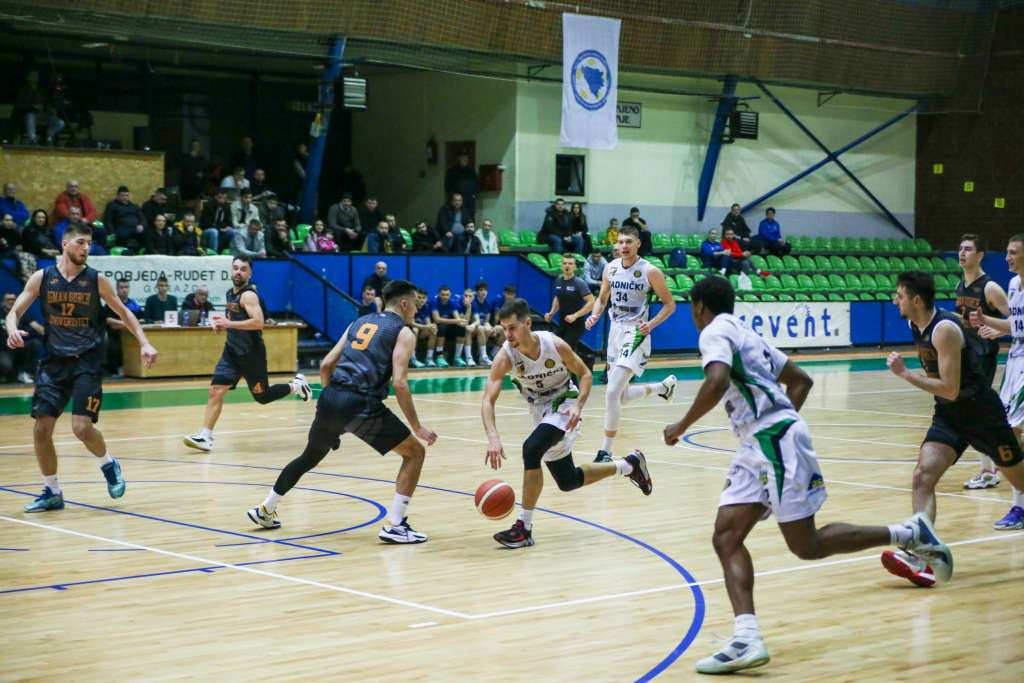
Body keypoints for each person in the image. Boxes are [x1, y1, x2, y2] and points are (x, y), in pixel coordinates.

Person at [661, 275, 952, 674]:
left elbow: (717, 380)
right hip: (761, 443)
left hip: (771, 439)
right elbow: (801, 380)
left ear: (697, 306)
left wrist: (681, 424)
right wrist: (777, 427)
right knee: (726, 535)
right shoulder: (747, 333)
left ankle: (910, 534)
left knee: (806, 545)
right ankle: (746, 637)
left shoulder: (713, 331)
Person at [247, 280, 438, 544]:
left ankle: (266, 509)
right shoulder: (404, 332)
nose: (417, 309)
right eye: (416, 304)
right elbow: (400, 382)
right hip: (361, 403)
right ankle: (395, 525)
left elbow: (326, 365)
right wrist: (417, 426)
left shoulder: (357, 323)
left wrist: (331, 408)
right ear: (404, 304)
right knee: (415, 453)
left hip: (331, 397)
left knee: (309, 456)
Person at [883, 271, 1024, 587]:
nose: (895, 300)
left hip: (980, 413)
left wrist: (905, 374)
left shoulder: (944, 329)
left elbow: (949, 387)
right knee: (923, 476)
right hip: (949, 415)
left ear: (916, 300)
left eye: (900, 295)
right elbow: (946, 397)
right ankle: (921, 554)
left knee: (1020, 479)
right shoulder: (914, 324)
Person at [4, 222, 158, 512]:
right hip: (53, 363)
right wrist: (11, 330)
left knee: (81, 428)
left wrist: (145, 342)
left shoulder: (96, 280)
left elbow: (124, 313)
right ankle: (52, 491)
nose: (86, 248)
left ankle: (108, 464)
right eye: (81, 243)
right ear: (65, 244)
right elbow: (14, 312)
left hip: (86, 362)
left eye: (89, 243)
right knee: (41, 430)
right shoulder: (42, 278)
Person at [482, 298, 652, 548]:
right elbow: (487, 400)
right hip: (540, 410)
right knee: (568, 481)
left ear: (527, 323)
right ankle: (629, 465)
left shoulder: (554, 344)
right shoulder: (506, 356)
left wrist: (579, 405)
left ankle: (523, 527)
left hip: (565, 403)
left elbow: (584, 374)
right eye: (504, 328)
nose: (508, 335)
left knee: (531, 449)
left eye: (513, 328)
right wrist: (493, 436)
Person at [183, 256, 312, 452]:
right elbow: (232, 318)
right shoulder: (230, 294)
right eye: (235, 268)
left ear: (250, 273)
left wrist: (229, 324)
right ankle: (205, 436)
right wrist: (222, 324)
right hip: (232, 352)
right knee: (215, 390)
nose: (238, 272)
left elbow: (258, 322)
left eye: (243, 269)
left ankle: (297, 386)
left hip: (251, 354)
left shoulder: (249, 295)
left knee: (262, 396)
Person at [585, 225, 678, 462]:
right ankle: (662, 388)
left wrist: (652, 324)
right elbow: (602, 298)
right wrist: (595, 314)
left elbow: (670, 304)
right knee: (621, 396)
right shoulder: (611, 268)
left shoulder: (650, 271)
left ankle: (605, 450)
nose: (623, 246)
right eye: (620, 242)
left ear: (638, 244)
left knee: (611, 392)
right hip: (614, 332)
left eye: (628, 242)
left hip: (636, 333)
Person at [970, 234, 1024, 530]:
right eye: (1006, 252)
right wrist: (988, 323)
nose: (1007, 258)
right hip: (1015, 360)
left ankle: (1019, 506)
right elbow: (1017, 326)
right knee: (1010, 430)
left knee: (1011, 430)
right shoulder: (1014, 285)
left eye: (1013, 252)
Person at [954, 234, 1009, 491]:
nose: (962, 253)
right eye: (960, 249)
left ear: (980, 255)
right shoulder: (959, 286)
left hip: (983, 357)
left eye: (968, 249)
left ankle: (989, 471)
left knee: (976, 412)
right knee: (973, 413)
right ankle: (989, 469)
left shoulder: (990, 288)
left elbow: (1017, 320)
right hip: (967, 357)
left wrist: (998, 331)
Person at [544, 253, 595, 368]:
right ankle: (587, 359)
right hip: (562, 322)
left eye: (570, 263)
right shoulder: (558, 281)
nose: (567, 265)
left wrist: (575, 315)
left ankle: (572, 382)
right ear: (561, 265)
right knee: (562, 350)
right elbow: (557, 298)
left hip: (576, 324)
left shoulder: (579, 283)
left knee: (565, 351)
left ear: (575, 267)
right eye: (565, 263)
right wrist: (552, 312)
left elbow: (591, 302)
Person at [1, 291, 43, 383]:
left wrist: (53, 335)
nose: (11, 301)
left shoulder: (22, 314)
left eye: (13, 299)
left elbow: (36, 326)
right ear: (3, 302)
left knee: (35, 343)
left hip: (19, 346)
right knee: (6, 366)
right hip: (3, 349)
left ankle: (26, 373)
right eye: (8, 299)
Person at [103, 278, 143, 375]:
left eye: (126, 287)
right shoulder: (111, 303)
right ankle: (115, 373)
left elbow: (141, 320)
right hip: (115, 336)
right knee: (112, 347)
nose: (124, 289)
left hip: (131, 336)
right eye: (121, 287)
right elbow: (108, 320)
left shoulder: (133, 304)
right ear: (117, 289)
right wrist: (128, 324)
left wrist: (123, 324)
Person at [428, 285, 468, 368]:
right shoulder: (434, 302)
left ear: (450, 295)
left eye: (447, 295)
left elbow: (457, 318)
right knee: (441, 327)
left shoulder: (452, 303)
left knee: (461, 328)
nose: (445, 297)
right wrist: (457, 321)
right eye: (443, 294)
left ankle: (457, 357)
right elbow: (437, 319)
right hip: (436, 327)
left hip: (448, 327)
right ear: (439, 294)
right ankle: (439, 357)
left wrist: (462, 323)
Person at [104, 185, 146, 253]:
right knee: (123, 234)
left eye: (127, 195)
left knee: (147, 233)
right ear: (117, 196)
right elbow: (108, 220)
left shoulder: (134, 206)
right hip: (121, 228)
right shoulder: (112, 205)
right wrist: (112, 232)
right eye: (122, 195)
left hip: (135, 228)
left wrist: (141, 225)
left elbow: (143, 219)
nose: (125, 198)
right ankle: (126, 252)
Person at [470, 281, 498, 366]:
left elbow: (486, 321)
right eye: (481, 290)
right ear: (477, 292)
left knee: (495, 329)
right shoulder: (473, 303)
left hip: (481, 327)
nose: (483, 292)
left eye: (485, 290)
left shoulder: (488, 303)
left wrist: (491, 327)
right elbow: (474, 321)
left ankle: (488, 356)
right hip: (472, 327)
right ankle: (482, 356)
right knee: (482, 328)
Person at [444, 151, 478, 219]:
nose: (464, 160)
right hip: (457, 200)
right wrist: (453, 196)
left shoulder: (471, 171)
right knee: (457, 218)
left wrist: (475, 194)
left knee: (469, 219)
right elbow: (447, 185)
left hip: (469, 200)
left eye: (466, 158)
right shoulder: (452, 171)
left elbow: (476, 184)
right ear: (459, 159)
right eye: (462, 158)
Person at [410, 288, 437, 368]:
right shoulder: (411, 306)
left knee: (433, 330)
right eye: (419, 297)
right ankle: (413, 359)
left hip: (420, 330)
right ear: (415, 297)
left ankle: (429, 358)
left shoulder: (426, 307)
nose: (421, 300)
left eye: (424, 298)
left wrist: (431, 327)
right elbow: (412, 323)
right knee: (415, 330)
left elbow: (428, 321)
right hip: (408, 330)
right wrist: (426, 326)